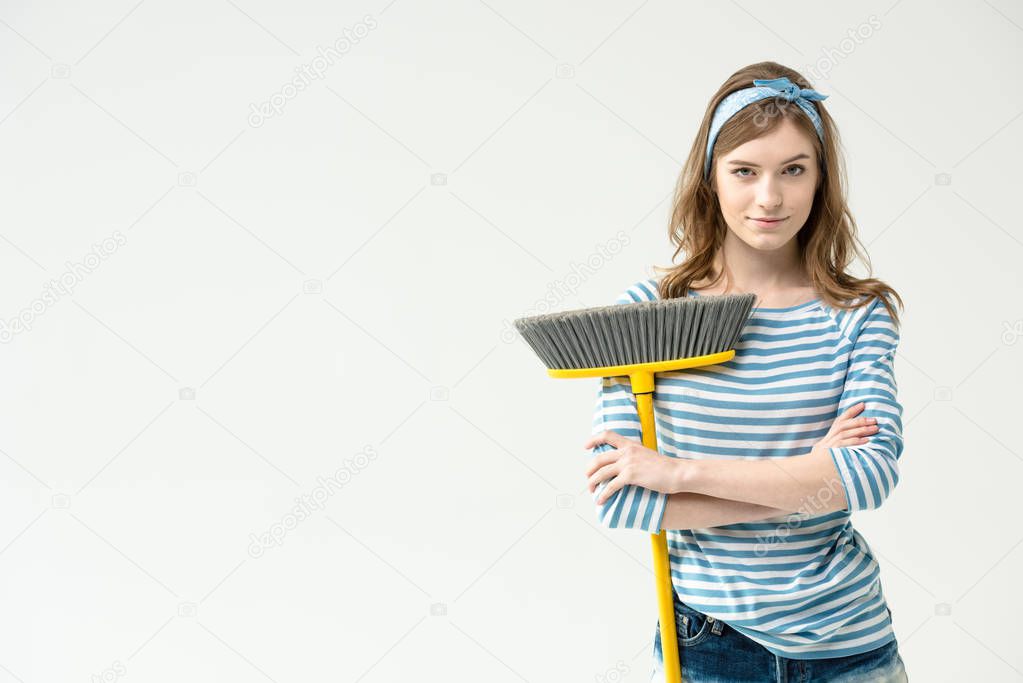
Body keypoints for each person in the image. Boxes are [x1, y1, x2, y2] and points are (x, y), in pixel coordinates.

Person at [583, 62, 909, 682]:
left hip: (851, 643)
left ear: (820, 180)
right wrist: (810, 486)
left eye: (793, 169)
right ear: (711, 178)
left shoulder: (857, 314)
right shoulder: (651, 313)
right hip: (708, 647)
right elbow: (623, 500)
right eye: (745, 171)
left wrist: (679, 474)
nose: (770, 197)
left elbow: (868, 476)